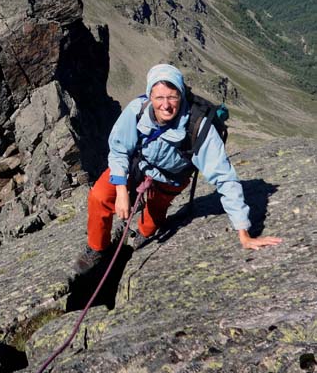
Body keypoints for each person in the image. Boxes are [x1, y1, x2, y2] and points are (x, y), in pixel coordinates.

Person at [75, 64, 282, 274]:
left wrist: (243, 233)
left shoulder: (198, 127)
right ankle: (97, 247)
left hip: (170, 178)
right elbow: (119, 149)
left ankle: (142, 235)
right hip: (136, 166)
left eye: (172, 97)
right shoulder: (137, 110)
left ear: (181, 95)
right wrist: (120, 189)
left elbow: (224, 178)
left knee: (154, 218)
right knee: (99, 197)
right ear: (150, 96)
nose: (165, 105)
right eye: (159, 98)